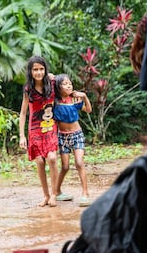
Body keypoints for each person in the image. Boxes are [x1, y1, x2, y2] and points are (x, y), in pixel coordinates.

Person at [19, 56, 59, 207]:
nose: (38, 72)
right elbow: (23, 113)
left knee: (52, 158)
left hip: (50, 126)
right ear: (30, 71)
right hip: (35, 129)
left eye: (41, 69)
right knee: (40, 161)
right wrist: (22, 136)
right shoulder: (28, 89)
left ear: (45, 69)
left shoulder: (52, 83)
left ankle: (54, 194)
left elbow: (67, 85)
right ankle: (46, 195)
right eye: (35, 69)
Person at [53, 74, 92, 207]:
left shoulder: (75, 100)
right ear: (58, 87)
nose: (69, 85)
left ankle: (85, 193)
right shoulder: (54, 101)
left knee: (79, 163)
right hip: (62, 137)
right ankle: (57, 191)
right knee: (65, 166)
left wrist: (85, 97)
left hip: (77, 135)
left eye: (70, 83)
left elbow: (88, 109)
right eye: (65, 84)